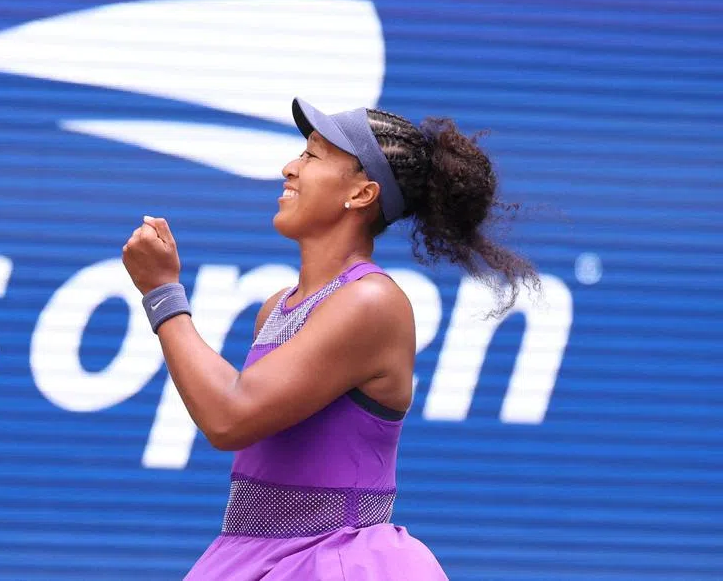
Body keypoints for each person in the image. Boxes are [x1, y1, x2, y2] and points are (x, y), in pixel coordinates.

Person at [122, 97, 537, 580]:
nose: (290, 167)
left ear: (362, 194)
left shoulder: (371, 303)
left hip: (338, 563)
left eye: (312, 156)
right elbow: (234, 402)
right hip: (253, 556)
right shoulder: (278, 308)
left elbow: (228, 417)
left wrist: (163, 294)